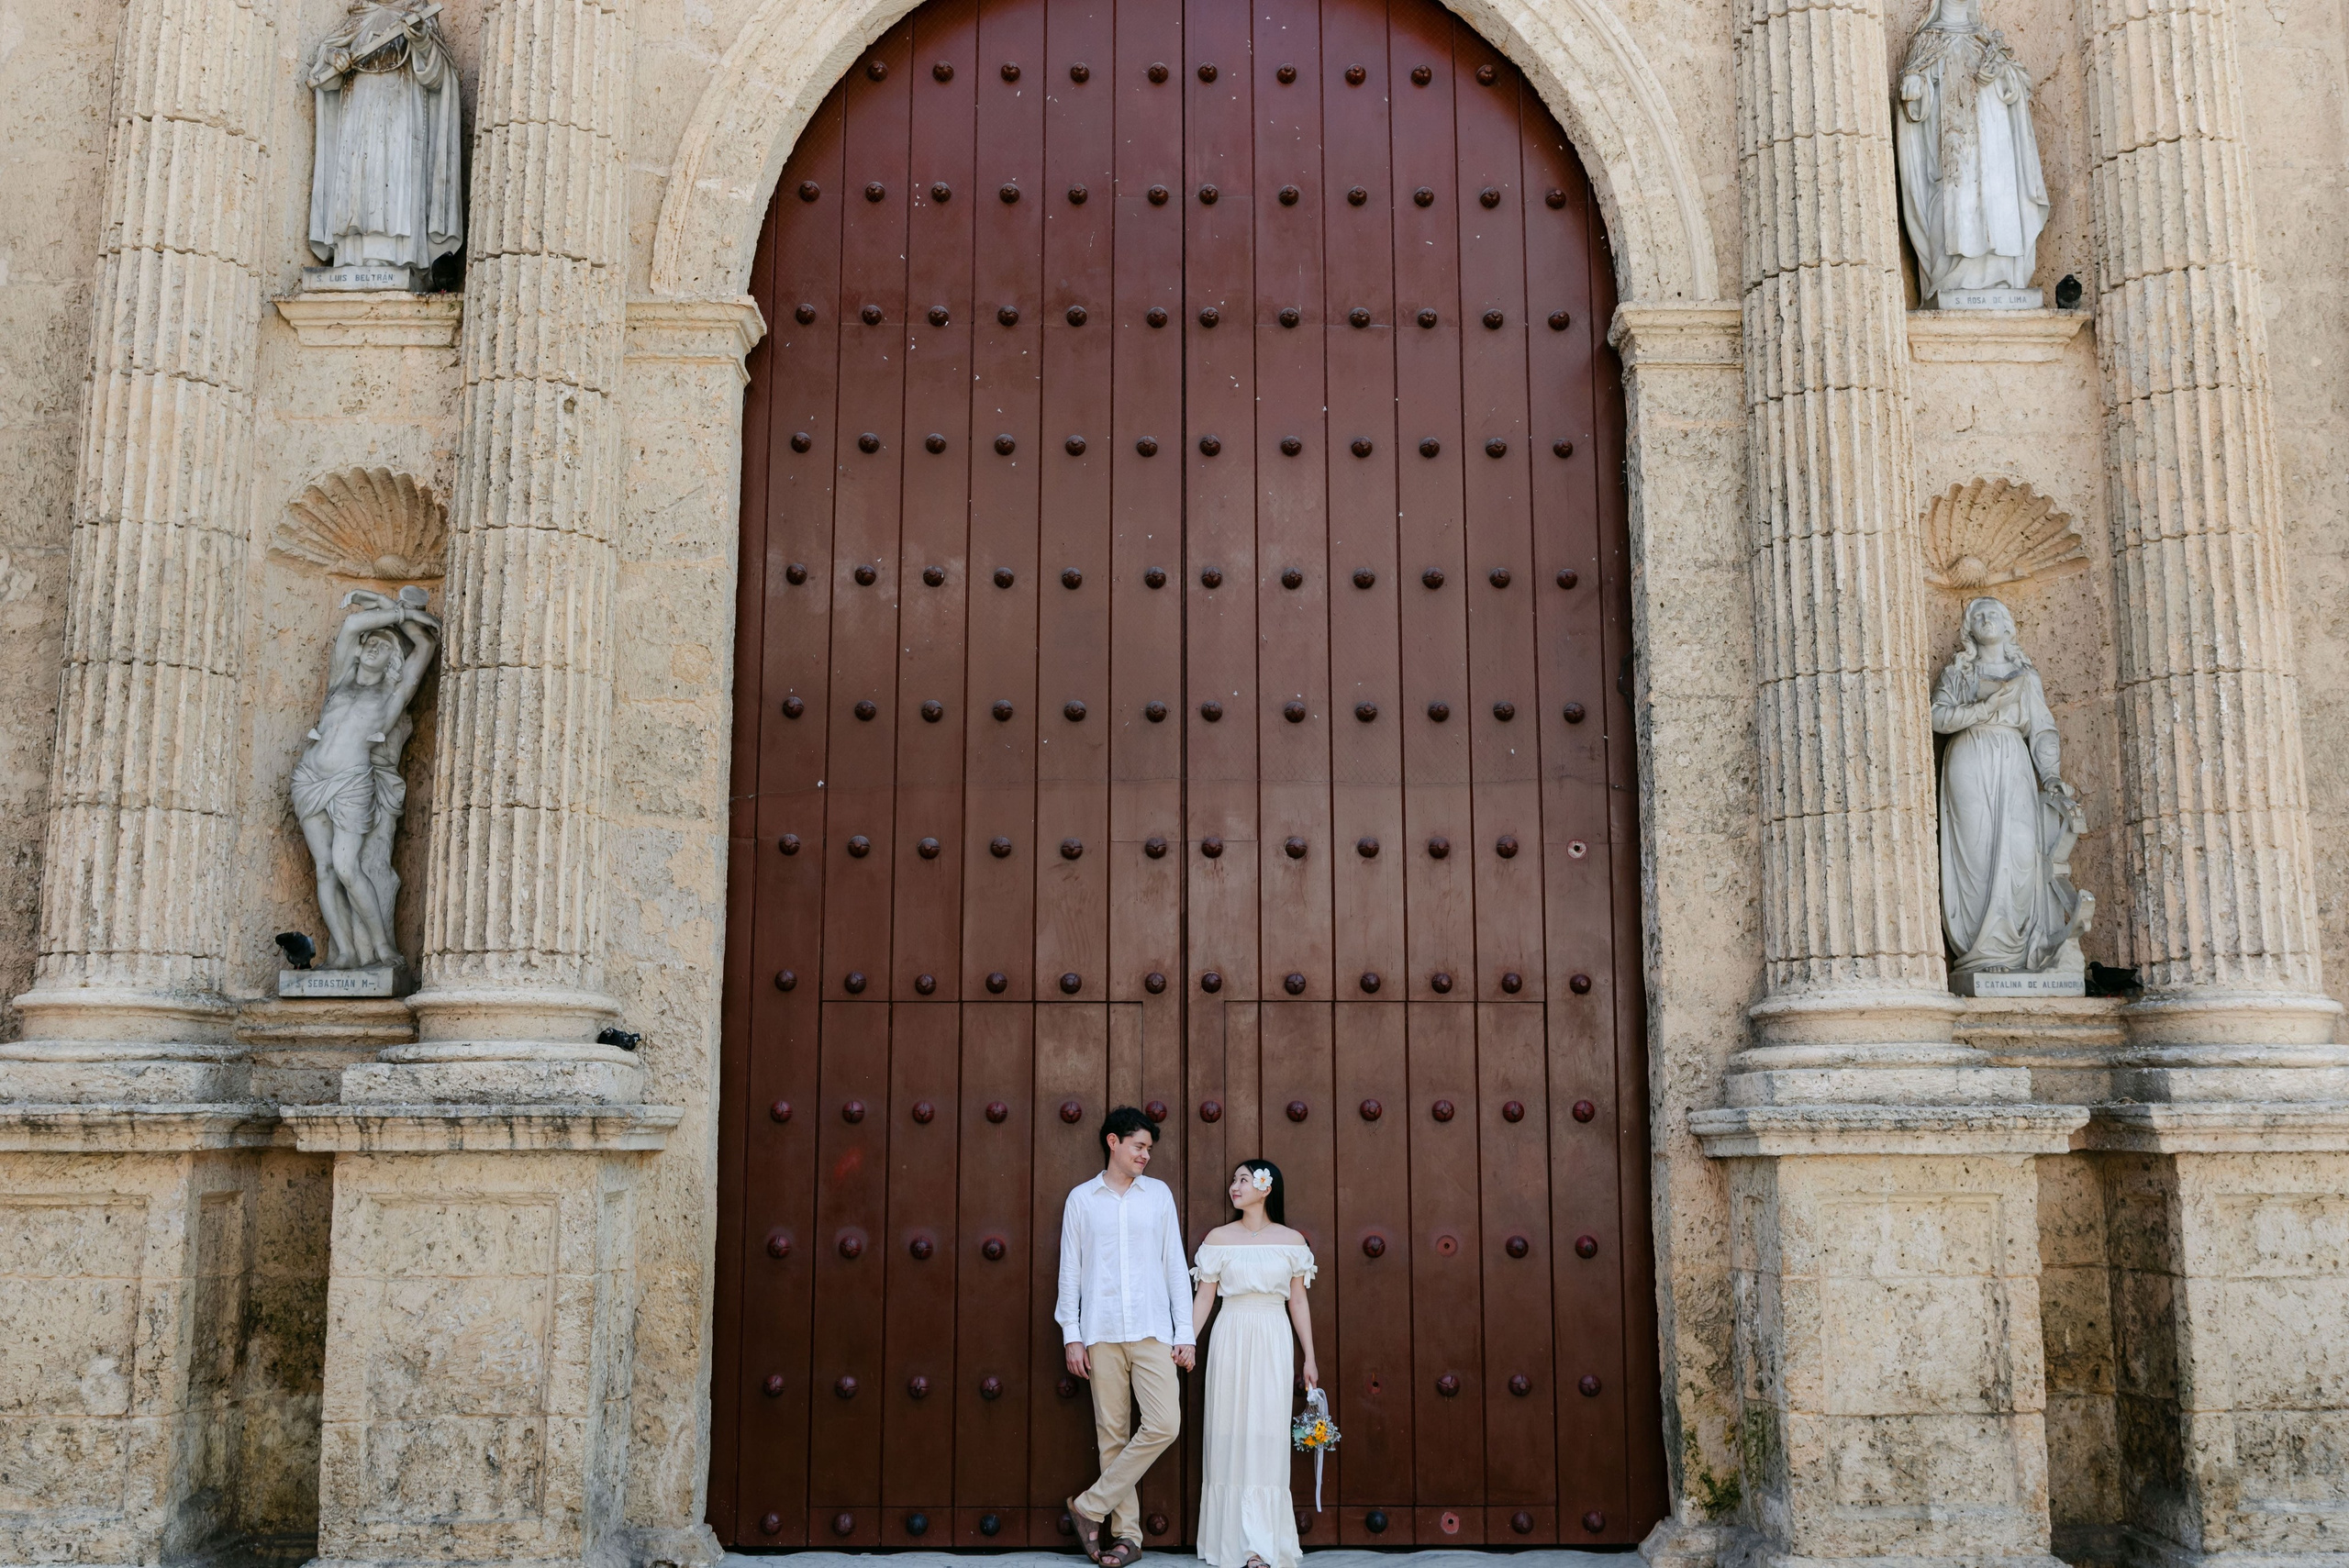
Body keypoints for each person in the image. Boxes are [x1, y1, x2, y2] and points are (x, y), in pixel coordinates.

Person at [1056, 1107, 1196, 1568]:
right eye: (1139, 1147)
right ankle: (1128, 1537)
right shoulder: (1082, 1199)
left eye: (1149, 1149)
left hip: (1153, 1329)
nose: (1146, 1156)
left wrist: (1185, 1333)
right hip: (1100, 1330)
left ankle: (1088, 1507)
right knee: (1111, 1434)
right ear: (1113, 1142)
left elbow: (1174, 1265)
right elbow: (1071, 1271)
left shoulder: (1158, 1196)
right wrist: (1072, 1336)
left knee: (1164, 1424)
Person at [1931, 595, 2092, 974]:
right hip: (1969, 758)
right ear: (1969, 629)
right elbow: (1936, 716)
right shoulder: (1959, 672)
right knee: (1977, 850)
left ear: (2008, 626)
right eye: (1979, 615)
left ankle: (2015, 952)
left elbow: (2043, 730)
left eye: (1994, 614)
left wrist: (2050, 775)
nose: (1986, 620)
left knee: (2020, 850)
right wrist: (1982, 710)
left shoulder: (2025, 676)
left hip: (2013, 760)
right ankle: (1982, 955)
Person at [293, 589, 439, 969]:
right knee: (324, 869)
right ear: (358, 651)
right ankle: (343, 952)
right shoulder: (340, 679)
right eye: (371, 643)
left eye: (385, 647)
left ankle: (382, 946)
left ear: (394, 659)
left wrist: (403, 614)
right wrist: (384, 606)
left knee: (346, 866)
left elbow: (424, 645)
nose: (374, 647)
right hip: (310, 778)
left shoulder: (395, 692)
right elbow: (354, 624)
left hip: (353, 780)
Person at [1191, 1160, 1319, 1568]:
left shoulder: (1291, 1240)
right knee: (1228, 1430)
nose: (1234, 1186)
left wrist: (1309, 1357)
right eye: (1233, 1179)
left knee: (1266, 1433)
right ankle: (1231, 1542)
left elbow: (1297, 1300)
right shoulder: (1218, 1238)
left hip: (1272, 1336)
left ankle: (1261, 1545)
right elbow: (1205, 1299)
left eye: (1244, 1179)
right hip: (1230, 1334)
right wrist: (1186, 1342)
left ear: (1266, 1188)